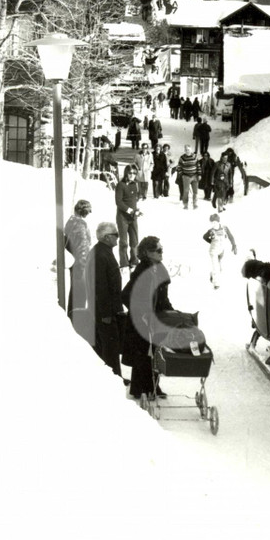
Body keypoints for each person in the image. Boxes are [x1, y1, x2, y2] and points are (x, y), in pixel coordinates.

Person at [121, 235, 174, 403]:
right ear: (147, 253)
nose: (161, 253)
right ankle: (140, 388)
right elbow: (126, 295)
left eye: (162, 249)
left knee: (156, 351)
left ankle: (153, 386)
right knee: (143, 353)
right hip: (141, 320)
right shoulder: (142, 270)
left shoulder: (159, 268)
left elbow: (163, 296)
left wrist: (170, 311)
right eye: (158, 250)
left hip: (156, 318)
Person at [84, 221, 125, 377]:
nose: (118, 238)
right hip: (104, 312)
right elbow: (100, 287)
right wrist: (107, 314)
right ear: (107, 237)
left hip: (106, 310)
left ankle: (114, 376)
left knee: (109, 346)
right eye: (116, 235)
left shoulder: (103, 251)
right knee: (110, 347)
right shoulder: (100, 254)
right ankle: (113, 378)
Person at [63, 198, 93, 319]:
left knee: (75, 294)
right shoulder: (81, 225)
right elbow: (83, 248)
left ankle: (72, 317)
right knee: (80, 295)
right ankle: (77, 321)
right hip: (80, 265)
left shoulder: (71, 221)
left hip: (74, 263)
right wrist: (83, 267)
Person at [115, 165, 141, 268]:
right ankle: (124, 264)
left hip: (133, 217)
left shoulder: (135, 184)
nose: (132, 175)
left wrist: (136, 210)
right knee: (123, 241)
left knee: (134, 240)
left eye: (134, 173)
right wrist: (129, 210)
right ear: (126, 173)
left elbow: (134, 200)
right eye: (130, 173)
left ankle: (134, 261)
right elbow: (118, 202)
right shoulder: (120, 185)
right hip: (122, 217)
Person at [203, 212, 237, 288]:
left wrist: (234, 245)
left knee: (221, 269)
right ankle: (216, 284)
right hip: (213, 251)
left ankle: (212, 274)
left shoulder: (224, 228)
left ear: (218, 222)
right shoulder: (211, 231)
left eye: (215, 222)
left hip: (221, 250)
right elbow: (204, 237)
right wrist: (211, 242)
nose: (213, 224)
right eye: (212, 222)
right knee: (216, 267)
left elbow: (231, 236)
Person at [176, 145, 200, 209]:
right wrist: (182, 174)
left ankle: (195, 204)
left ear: (191, 150)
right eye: (186, 150)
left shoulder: (195, 157)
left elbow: (198, 166)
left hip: (194, 176)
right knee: (186, 191)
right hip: (186, 176)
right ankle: (185, 204)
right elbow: (179, 167)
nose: (187, 151)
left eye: (188, 149)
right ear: (184, 150)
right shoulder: (182, 157)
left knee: (195, 191)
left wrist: (199, 174)